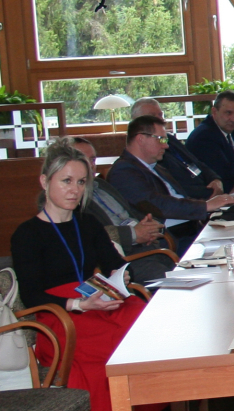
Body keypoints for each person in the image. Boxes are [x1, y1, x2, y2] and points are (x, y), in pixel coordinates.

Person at [12, 138, 152, 411]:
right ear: (45, 181)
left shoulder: (88, 223)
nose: (74, 190)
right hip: (60, 315)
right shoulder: (27, 234)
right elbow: (31, 296)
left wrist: (121, 276)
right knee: (115, 346)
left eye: (81, 182)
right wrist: (79, 304)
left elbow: (116, 264)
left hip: (98, 300)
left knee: (147, 322)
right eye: (66, 181)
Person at [108, 116, 234, 256]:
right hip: (171, 241)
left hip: (192, 229)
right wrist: (206, 206)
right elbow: (158, 204)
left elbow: (180, 196)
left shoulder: (155, 166)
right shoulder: (123, 171)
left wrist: (212, 204)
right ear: (140, 139)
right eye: (161, 139)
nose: (166, 146)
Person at [71, 138, 177, 282]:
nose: (90, 165)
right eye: (83, 160)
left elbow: (130, 211)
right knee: (170, 281)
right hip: (125, 256)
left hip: (149, 247)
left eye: (93, 160)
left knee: (188, 271)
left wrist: (150, 225)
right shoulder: (72, 198)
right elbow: (93, 234)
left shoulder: (100, 184)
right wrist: (134, 234)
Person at [127, 97, 225, 199]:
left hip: (207, 194)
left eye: (160, 115)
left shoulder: (170, 139)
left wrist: (215, 179)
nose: (160, 119)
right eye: (152, 117)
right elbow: (177, 189)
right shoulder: (149, 157)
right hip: (196, 200)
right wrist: (209, 197)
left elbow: (196, 162)